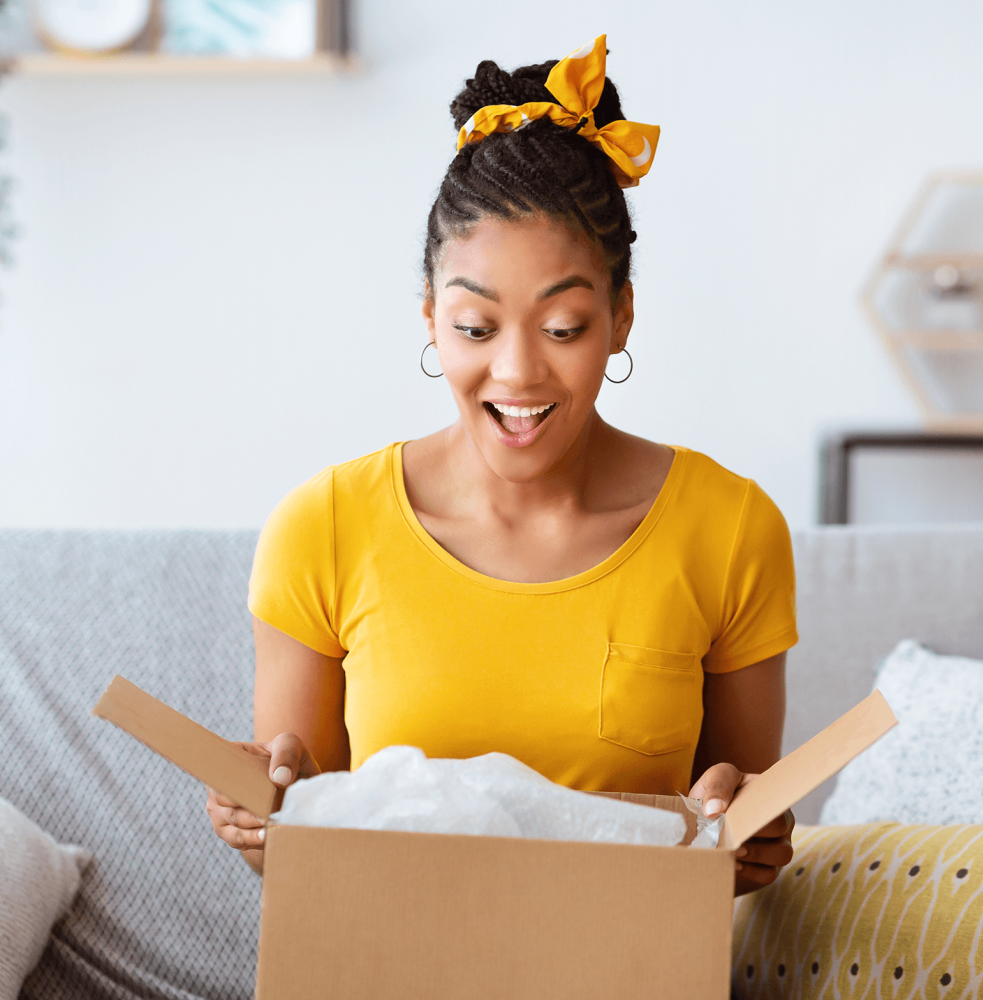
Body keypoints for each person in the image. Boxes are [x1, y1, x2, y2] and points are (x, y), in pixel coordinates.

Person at [207, 35, 797, 893]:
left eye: (563, 328)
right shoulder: (322, 529)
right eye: (476, 329)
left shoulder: (731, 528)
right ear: (429, 318)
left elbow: (735, 846)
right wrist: (264, 823)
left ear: (622, 316)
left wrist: (751, 835)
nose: (518, 372)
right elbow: (308, 860)